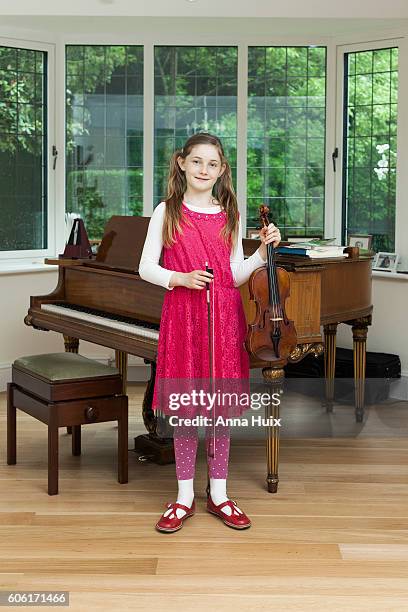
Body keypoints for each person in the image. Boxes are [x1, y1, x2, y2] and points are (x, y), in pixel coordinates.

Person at [139, 132, 281, 532]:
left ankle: (218, 494)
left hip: (224, 317)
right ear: (181, 162)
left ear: (222, 171)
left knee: (219, 411)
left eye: (213, 164)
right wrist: (180, 278)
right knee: (186, 410)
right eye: (197, 161)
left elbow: (234, 273)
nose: (204, 169)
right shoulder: (166, 211)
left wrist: (259, 256)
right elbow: (145, 267)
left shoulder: (230, 213)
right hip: (183, 318)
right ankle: (184, 498)